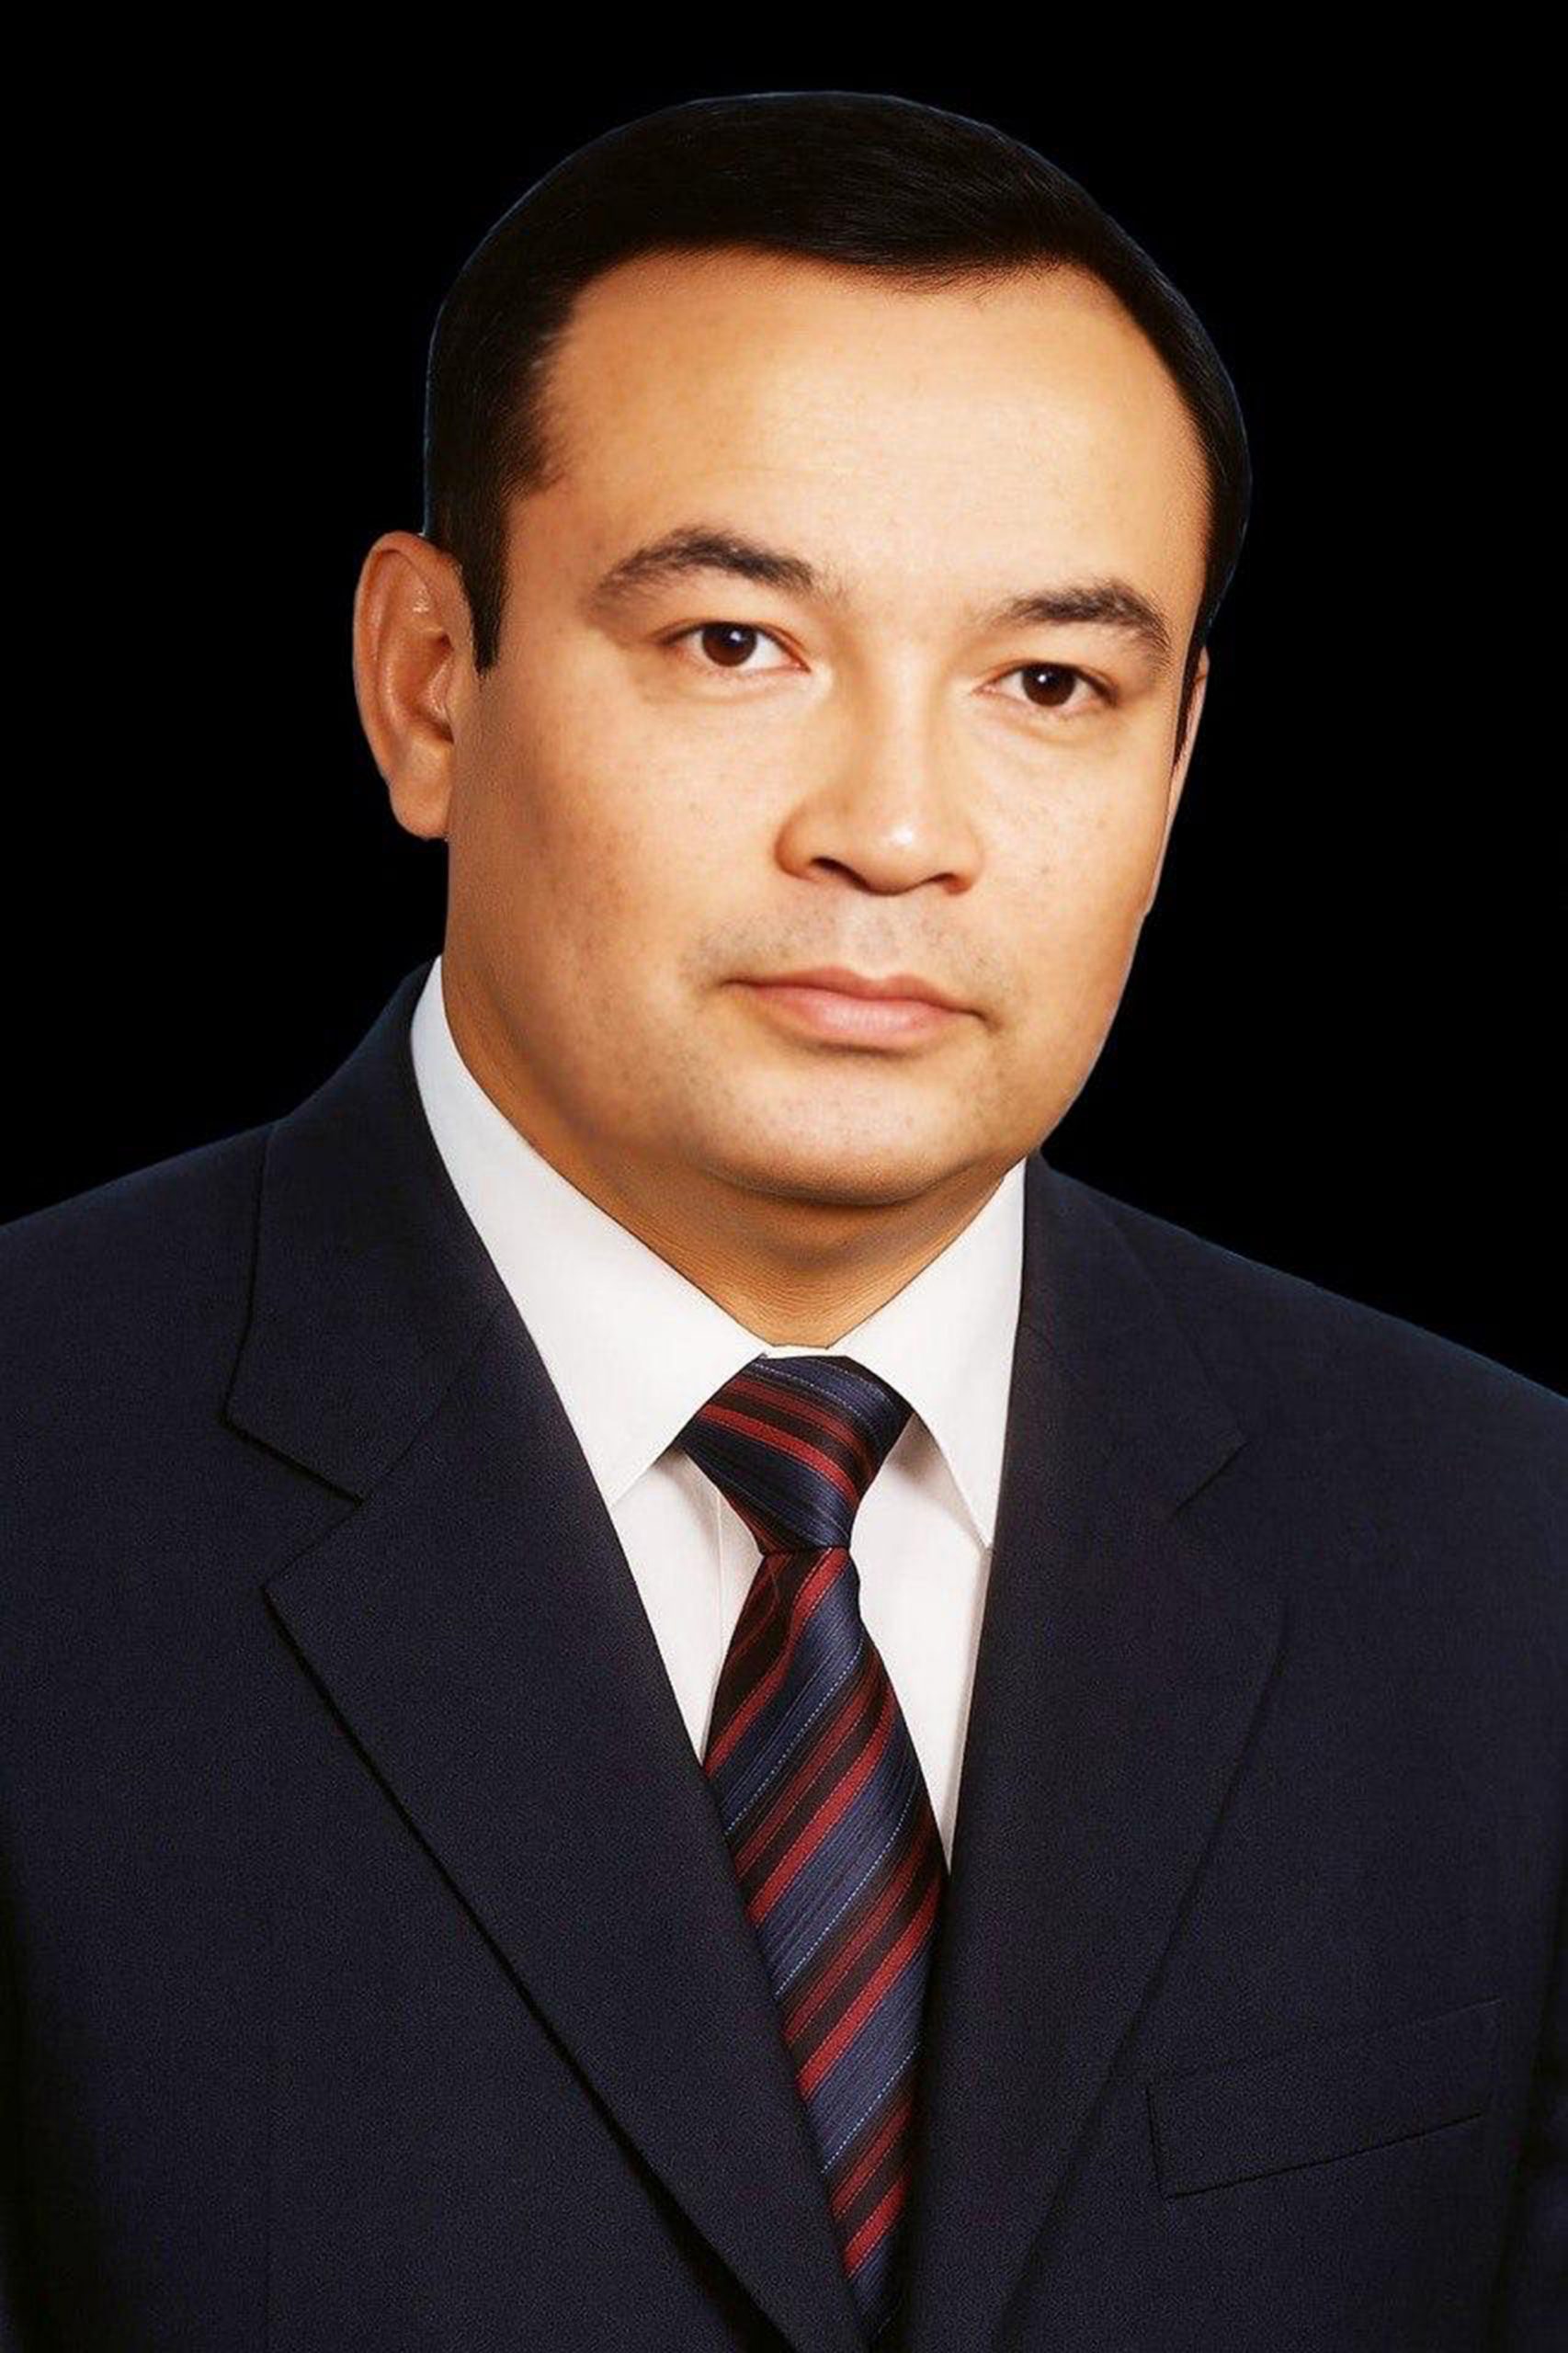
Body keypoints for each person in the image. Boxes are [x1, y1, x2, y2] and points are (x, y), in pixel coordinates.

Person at [2, 88, 1562, 2353]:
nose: (894, 828)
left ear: (1178, 761)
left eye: (1049, 684)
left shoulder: (1501, 1552)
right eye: (737, 642)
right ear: (427, 681)